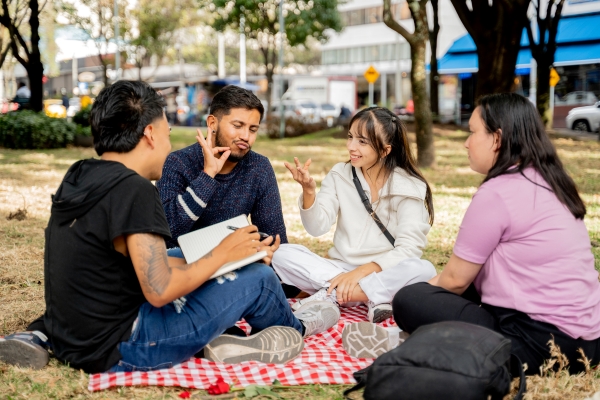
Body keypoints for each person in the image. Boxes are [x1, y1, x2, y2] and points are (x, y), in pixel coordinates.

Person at [0, 80, 340, 371]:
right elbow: (159, 289)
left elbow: (144, 258)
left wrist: (230, 254)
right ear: (149, 134)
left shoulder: (80, 173)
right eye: (166, 133)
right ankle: (296, 327)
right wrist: (222, 254)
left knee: (195, 256)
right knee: (262, 280)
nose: (169, 145)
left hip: (78, 336)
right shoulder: (134, 189)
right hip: (126, 345)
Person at [360, 93, 600, 372]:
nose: (466, 142)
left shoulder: (498, 192)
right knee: (453, 289)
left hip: (540, 344)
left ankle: (423, 340)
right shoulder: (551, 181)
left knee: (409, 300)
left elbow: (454, 281)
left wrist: (418, 294)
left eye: (473, 132)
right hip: (590, 342)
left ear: (496, 139)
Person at [271, 107, 436, 328]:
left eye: (362, 141)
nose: (351, 146)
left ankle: (337, 295)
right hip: (339, 271)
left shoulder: (409, 186)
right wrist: (309, 191)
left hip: (384, 271)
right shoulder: (340, 174)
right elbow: (317, 227)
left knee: (424, 269)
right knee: (280, 253)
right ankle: (373, 298)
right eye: (350, 137)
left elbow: (409, 250)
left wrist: (360, 273)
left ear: (385, 150)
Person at [156, 85, 300, 296]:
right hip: (186, 275)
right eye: (237, 125)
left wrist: (264, 252)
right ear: (212, 123)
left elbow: (274, 238)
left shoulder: (259, 167)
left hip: (237, 270)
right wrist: (207, 176)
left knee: (290, 273)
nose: (246, 137)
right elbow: (168, 233)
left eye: (252, 129)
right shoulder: (177, 163)